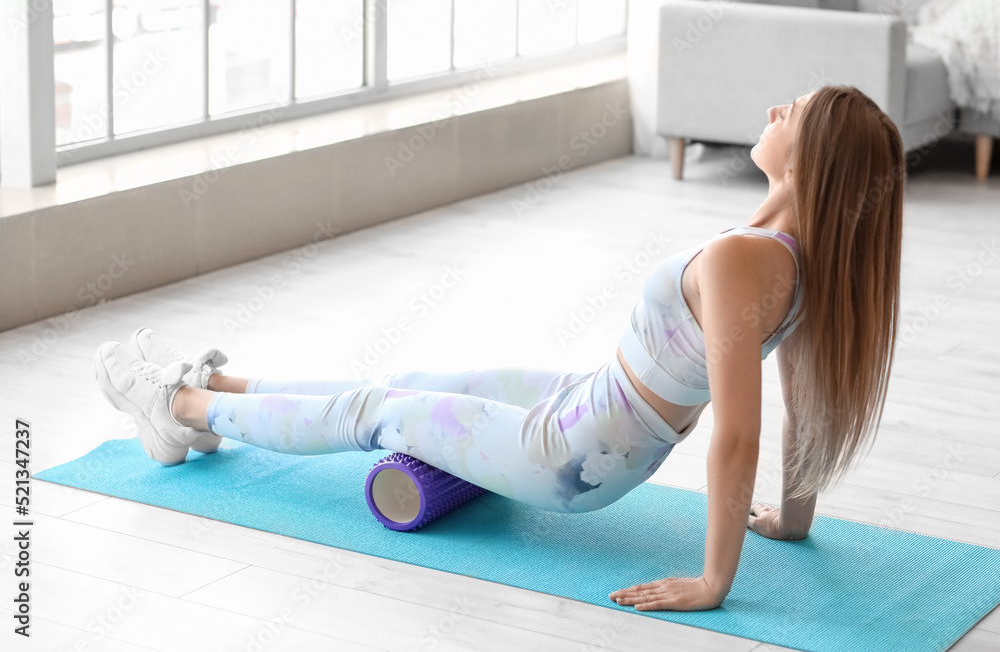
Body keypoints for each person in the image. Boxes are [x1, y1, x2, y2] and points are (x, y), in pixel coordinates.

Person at [93, 84, 904, 613]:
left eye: (789, 114)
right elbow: (809, 411)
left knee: (380, 412)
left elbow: (742, 433)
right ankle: (223, 384)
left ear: (810, 160)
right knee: (404, 380)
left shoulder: (745, 262)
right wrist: (793, 523)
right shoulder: (798, 264)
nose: (770, 112)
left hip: (571, 450)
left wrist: (714, 580)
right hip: (588, 398)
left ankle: (175, 408)